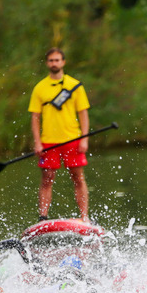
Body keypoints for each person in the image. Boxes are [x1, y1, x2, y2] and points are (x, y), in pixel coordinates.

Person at [29, 48, 91, 222]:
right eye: (51, 60)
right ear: (47, 63)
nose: (54, 63)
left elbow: (83, 113)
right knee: (46, 179)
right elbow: (35, 117)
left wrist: (84, 138)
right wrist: (37, 142)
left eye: (57, 60)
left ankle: (84, 217)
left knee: (77, 177)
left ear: (63, 62)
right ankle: (43, 217)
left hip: (73, 140)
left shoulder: (75, 85)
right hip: (48, 142)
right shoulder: (39, 88)